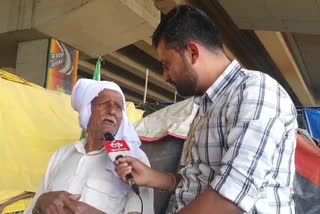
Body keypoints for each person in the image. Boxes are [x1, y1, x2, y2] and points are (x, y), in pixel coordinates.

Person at [115, 5, 298, 214]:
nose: (165, 77)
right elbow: (199, 181)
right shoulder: (205, 107)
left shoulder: (256, 92)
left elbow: (230, 199)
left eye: (166, 64)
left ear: (192, 52)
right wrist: (152, 177)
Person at [24, 79, 154, 214]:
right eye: (105, 104)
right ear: (87, 110)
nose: (112, 111)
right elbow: (32, 209)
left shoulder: (135, 160)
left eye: (118, 107)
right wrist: (41, 201)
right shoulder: (62, 154)